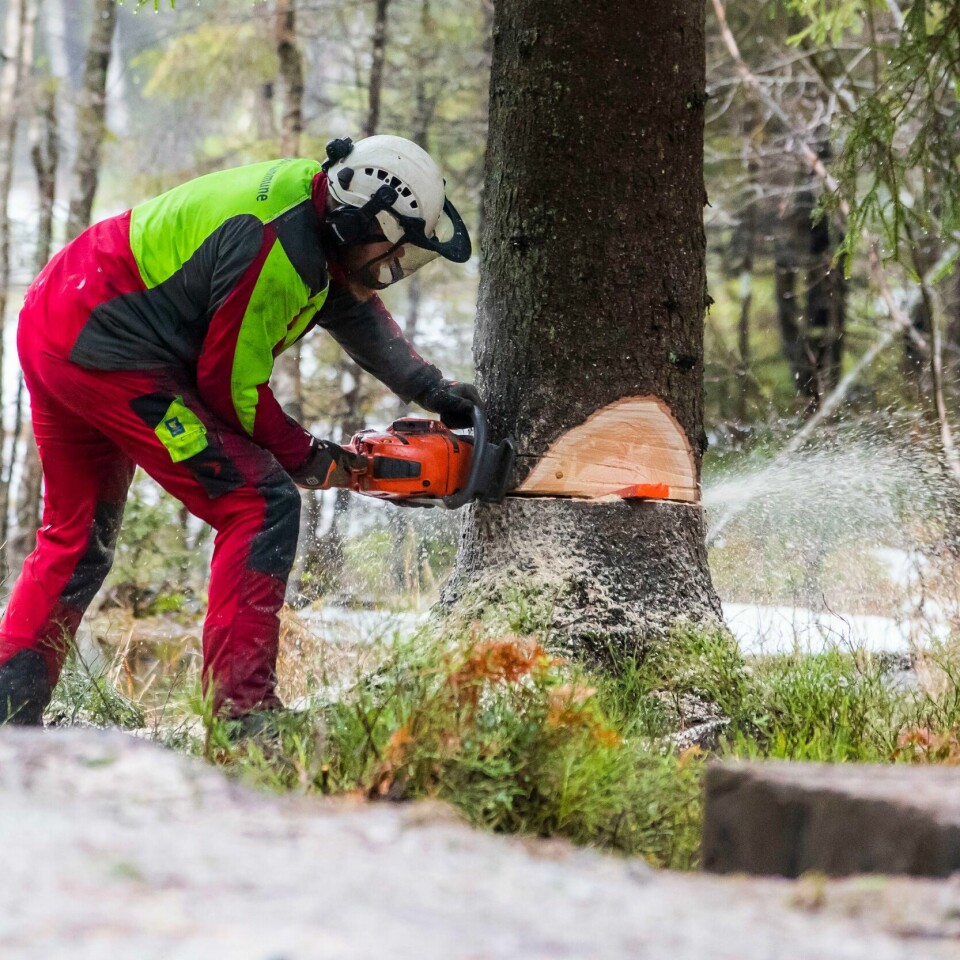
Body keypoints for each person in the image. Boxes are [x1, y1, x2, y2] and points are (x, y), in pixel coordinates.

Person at [0, 135, 481, 727]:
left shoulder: (314, 206)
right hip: (111, 348)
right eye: (395, 251)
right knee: (260, 504)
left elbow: (348, 305)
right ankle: (241, 715)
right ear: (364, 223)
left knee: (76, 539)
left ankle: (8, 715)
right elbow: (229, 386)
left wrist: (431, 389)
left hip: (60, 316)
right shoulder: (278, 249)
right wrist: (307, 457)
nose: (393, 267)